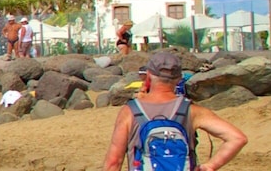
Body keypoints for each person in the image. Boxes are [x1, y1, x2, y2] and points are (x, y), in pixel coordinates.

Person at [103, 52, 247, 171]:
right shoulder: (192, 110)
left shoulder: (130, 111)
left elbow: (114, 162)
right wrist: (210, 166)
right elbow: (238, 138)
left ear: (148, 75)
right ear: (179, 79)